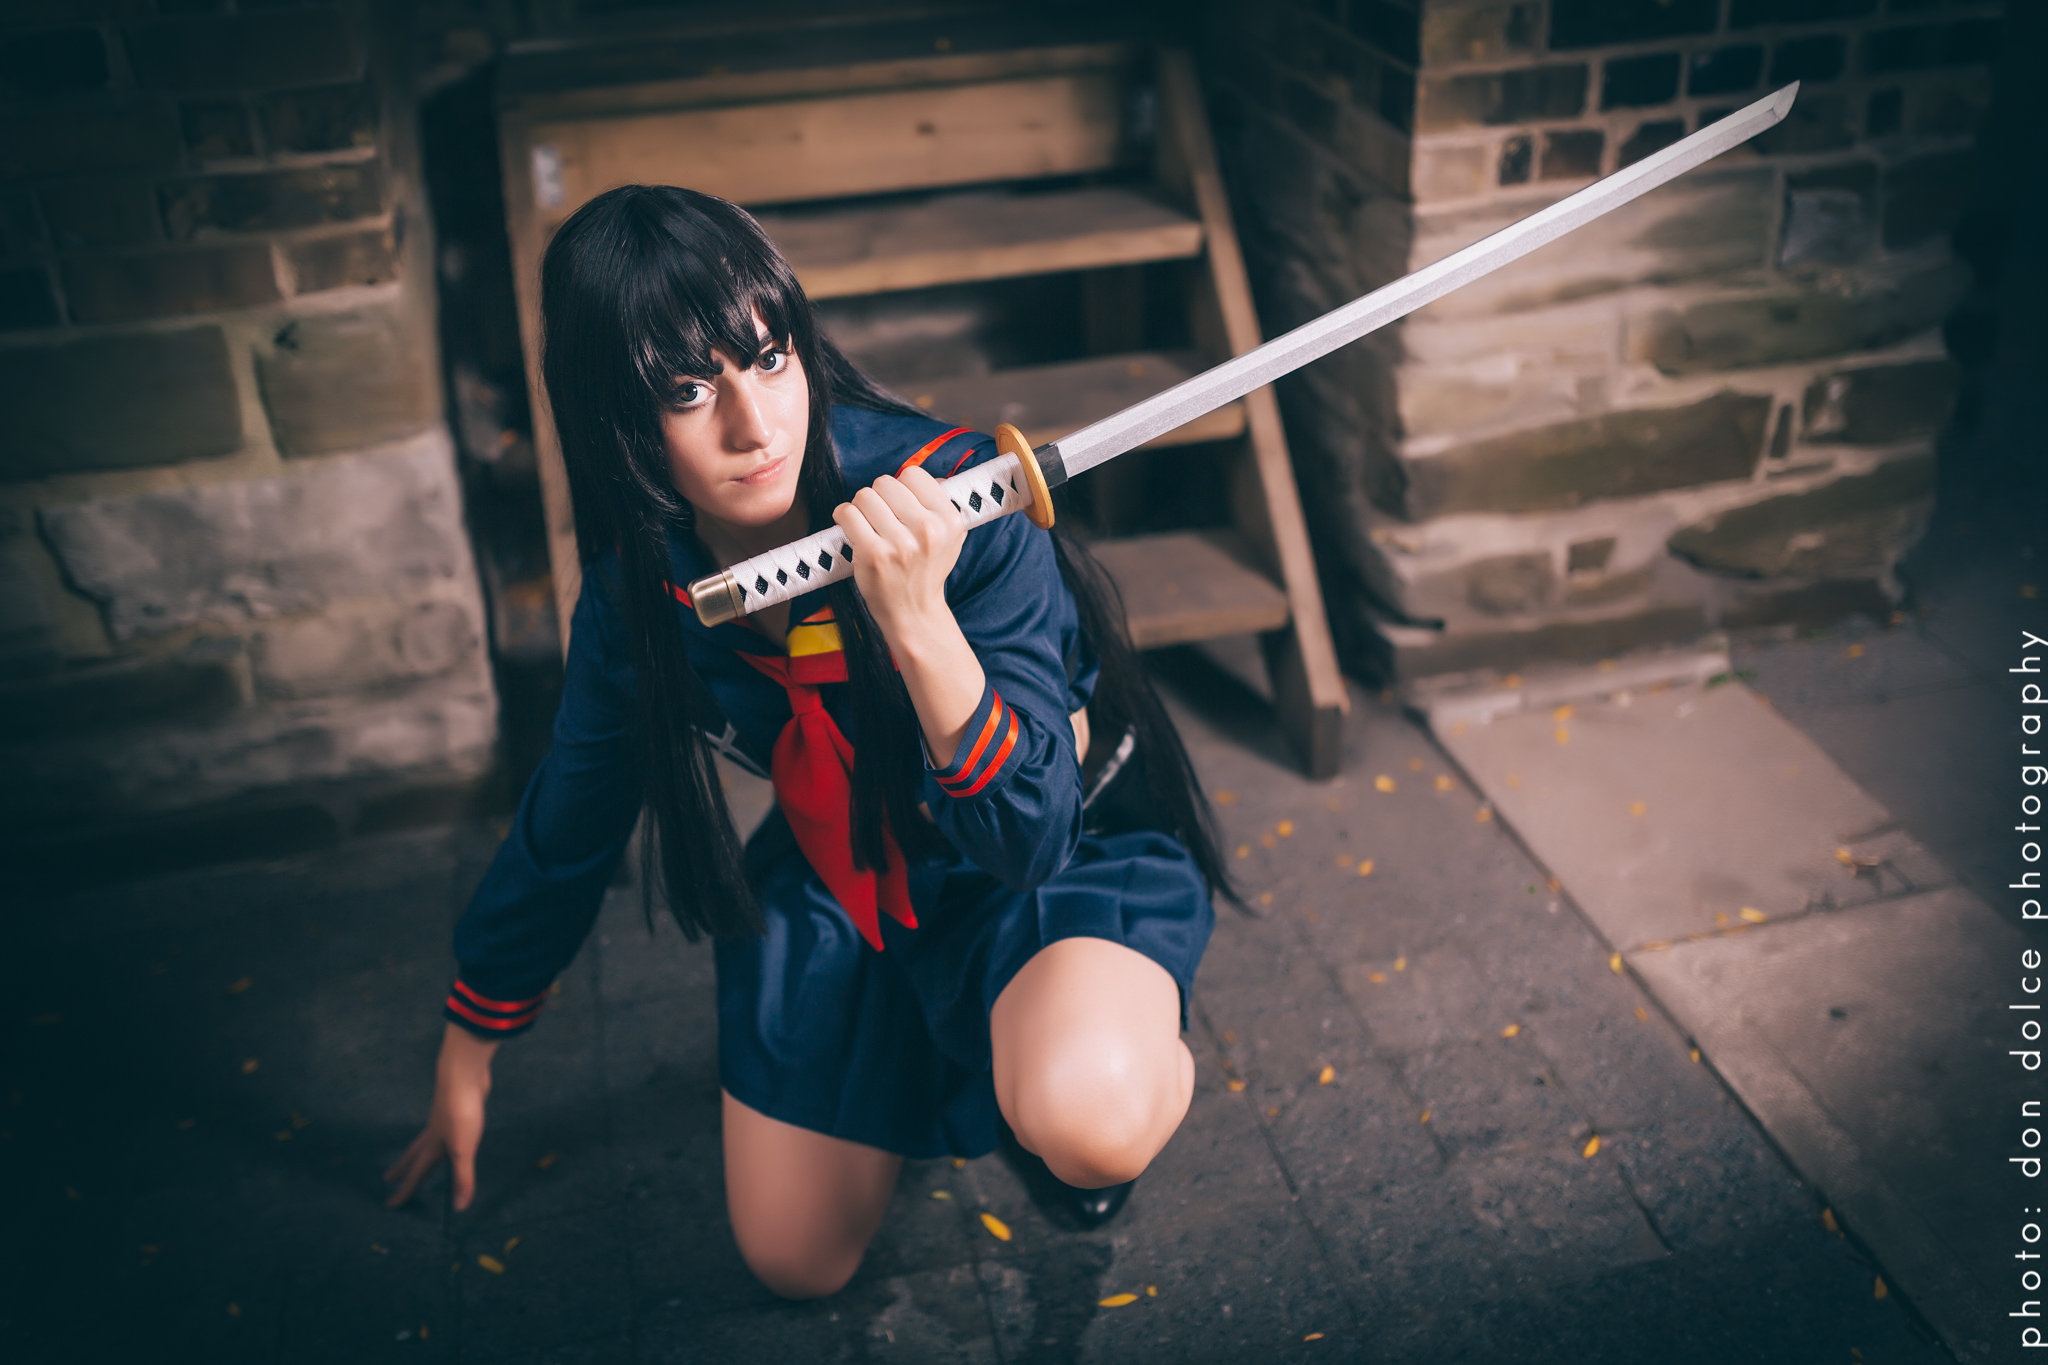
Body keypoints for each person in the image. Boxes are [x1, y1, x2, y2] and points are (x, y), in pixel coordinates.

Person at [382, 184, 1231, 1299]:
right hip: (848, 870)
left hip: (1048, 851)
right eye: (688, 392)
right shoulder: (640, 597)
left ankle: (1062, 1052)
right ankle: (951, 1049)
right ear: (615, 420)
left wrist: (920, 623)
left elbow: (1028, 838)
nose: (756, 426)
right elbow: (572, 816)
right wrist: (472, 1037)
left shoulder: (955, 501)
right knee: (794, 1261)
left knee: (1089, 1118)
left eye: (770, 358)